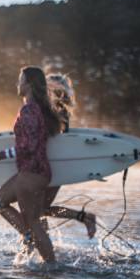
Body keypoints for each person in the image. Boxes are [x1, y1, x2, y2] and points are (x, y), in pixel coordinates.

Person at [0, 66, 60, 264]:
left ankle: (51, 267)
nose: (18, 84)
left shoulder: (29, 110)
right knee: (0, 202)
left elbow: (30, 146)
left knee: (34, 222)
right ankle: (29, 239)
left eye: (21, 80)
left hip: (32, 173)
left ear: (29, 84)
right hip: (34, 172)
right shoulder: (37, 109)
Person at [39, 74, 97, 239]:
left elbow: (59, 140)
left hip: (54, 165)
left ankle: (84, 218)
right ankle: (39, 241)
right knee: (39, 209)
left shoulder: (59, 111)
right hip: (46, 163)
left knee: (39, 208)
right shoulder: (48, 109)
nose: (49, 90)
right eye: (48, 87)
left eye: (52, 87)